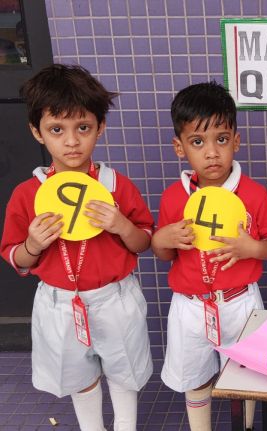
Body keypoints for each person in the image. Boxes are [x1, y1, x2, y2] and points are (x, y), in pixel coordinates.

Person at [0, 64, 154, 431]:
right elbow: (16, 257)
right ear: (37, 132)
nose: (71, 141)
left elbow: (144, 241)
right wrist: (33, 244)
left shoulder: (116, 186)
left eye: (82, 128)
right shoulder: (27, 194)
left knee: (123, 371)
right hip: (59, 302)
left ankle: (126, 426)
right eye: (57, 129)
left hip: (115, 299)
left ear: (100, 127)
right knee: (79, 377)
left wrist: (121, 225)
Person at [152, 81, 267, 430]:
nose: (211, 153)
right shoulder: (173, 197)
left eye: (221, 139)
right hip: (190, 306)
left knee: (246, 376)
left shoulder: (253, 194)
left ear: (236, 141)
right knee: (196, 379)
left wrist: (253, 248)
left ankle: (246, 427)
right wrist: (161, 239)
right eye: (198, 142)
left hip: (240, 303)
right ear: (179, 147)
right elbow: (164, 253)